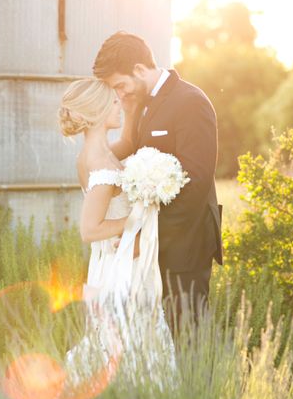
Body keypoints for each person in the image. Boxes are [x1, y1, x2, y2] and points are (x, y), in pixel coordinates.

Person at [92, 31, 223, 338]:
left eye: (121, 86)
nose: (120, 95)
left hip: (186, 243)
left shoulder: (191, 102)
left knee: (186, 333)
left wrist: (145, 237)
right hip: (154, 243)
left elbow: (195, 183)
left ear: (139, 69)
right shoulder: (140, 105)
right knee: (158, 337)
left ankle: (197, 387)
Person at [57, 77, 177, 386]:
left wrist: (135, 108)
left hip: (120, 261)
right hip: (122, 268)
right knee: (128, 340)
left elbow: (126, 144)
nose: (118, 105)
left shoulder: (99, 153)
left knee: (128, 339)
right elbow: (89, 229)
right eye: (112, 102)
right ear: (96, 112)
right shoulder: (102, 165)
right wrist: (137, 218)